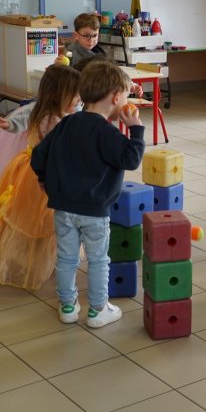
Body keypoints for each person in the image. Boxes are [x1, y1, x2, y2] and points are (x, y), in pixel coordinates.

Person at [31, 60, 145, 328]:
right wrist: (136, 130)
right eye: (125, 96)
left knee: (66, 259)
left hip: (63, 209)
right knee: (98, 260)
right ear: (115, 98)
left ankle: (68, 307)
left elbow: (38, 155)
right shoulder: (107, 133)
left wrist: (44, 180)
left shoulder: (66, 124)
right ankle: (97, 310)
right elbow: (131, 159)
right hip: (94, 212)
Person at [0, 65, 81, 290]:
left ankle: (46, 257)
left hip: (37, 170)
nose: (78, 99)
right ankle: (34, 260)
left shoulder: (64, 113)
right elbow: (21, 119)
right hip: (39, 175)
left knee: (44, 219)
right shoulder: (46, 114)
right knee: (38, 218)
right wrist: (8, 124)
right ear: (57, 94)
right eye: (74, 95)